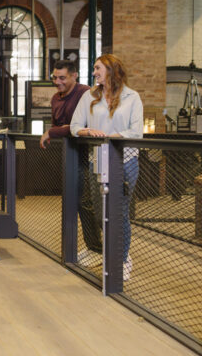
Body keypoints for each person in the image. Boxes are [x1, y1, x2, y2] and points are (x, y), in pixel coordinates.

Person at [70, 54, 143, 281]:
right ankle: (112, 252)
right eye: (94, 68)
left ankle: (121, 260)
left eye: (97, 68)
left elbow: (136, 131)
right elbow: (74, 126)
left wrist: (112, 138)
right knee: (102, 213)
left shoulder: (133, 97)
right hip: (98, 159)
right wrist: (88, 131)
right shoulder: (88, 96)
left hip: (126, 160)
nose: (94, 73)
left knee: (119, 211)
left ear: (112, 70)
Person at [39, 60, 101, 260]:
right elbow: (63, 126)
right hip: (69, 155)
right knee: (72, 201)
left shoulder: (86, 93)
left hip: (87, 155)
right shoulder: (56, 98)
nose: (57, 82)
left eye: (62, 78)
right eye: (54, 78)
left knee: (86, 202)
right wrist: (59, 130)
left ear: (74, 75)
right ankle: (86, 248)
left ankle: (97, 249)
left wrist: (52, 131)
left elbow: (77, 126)